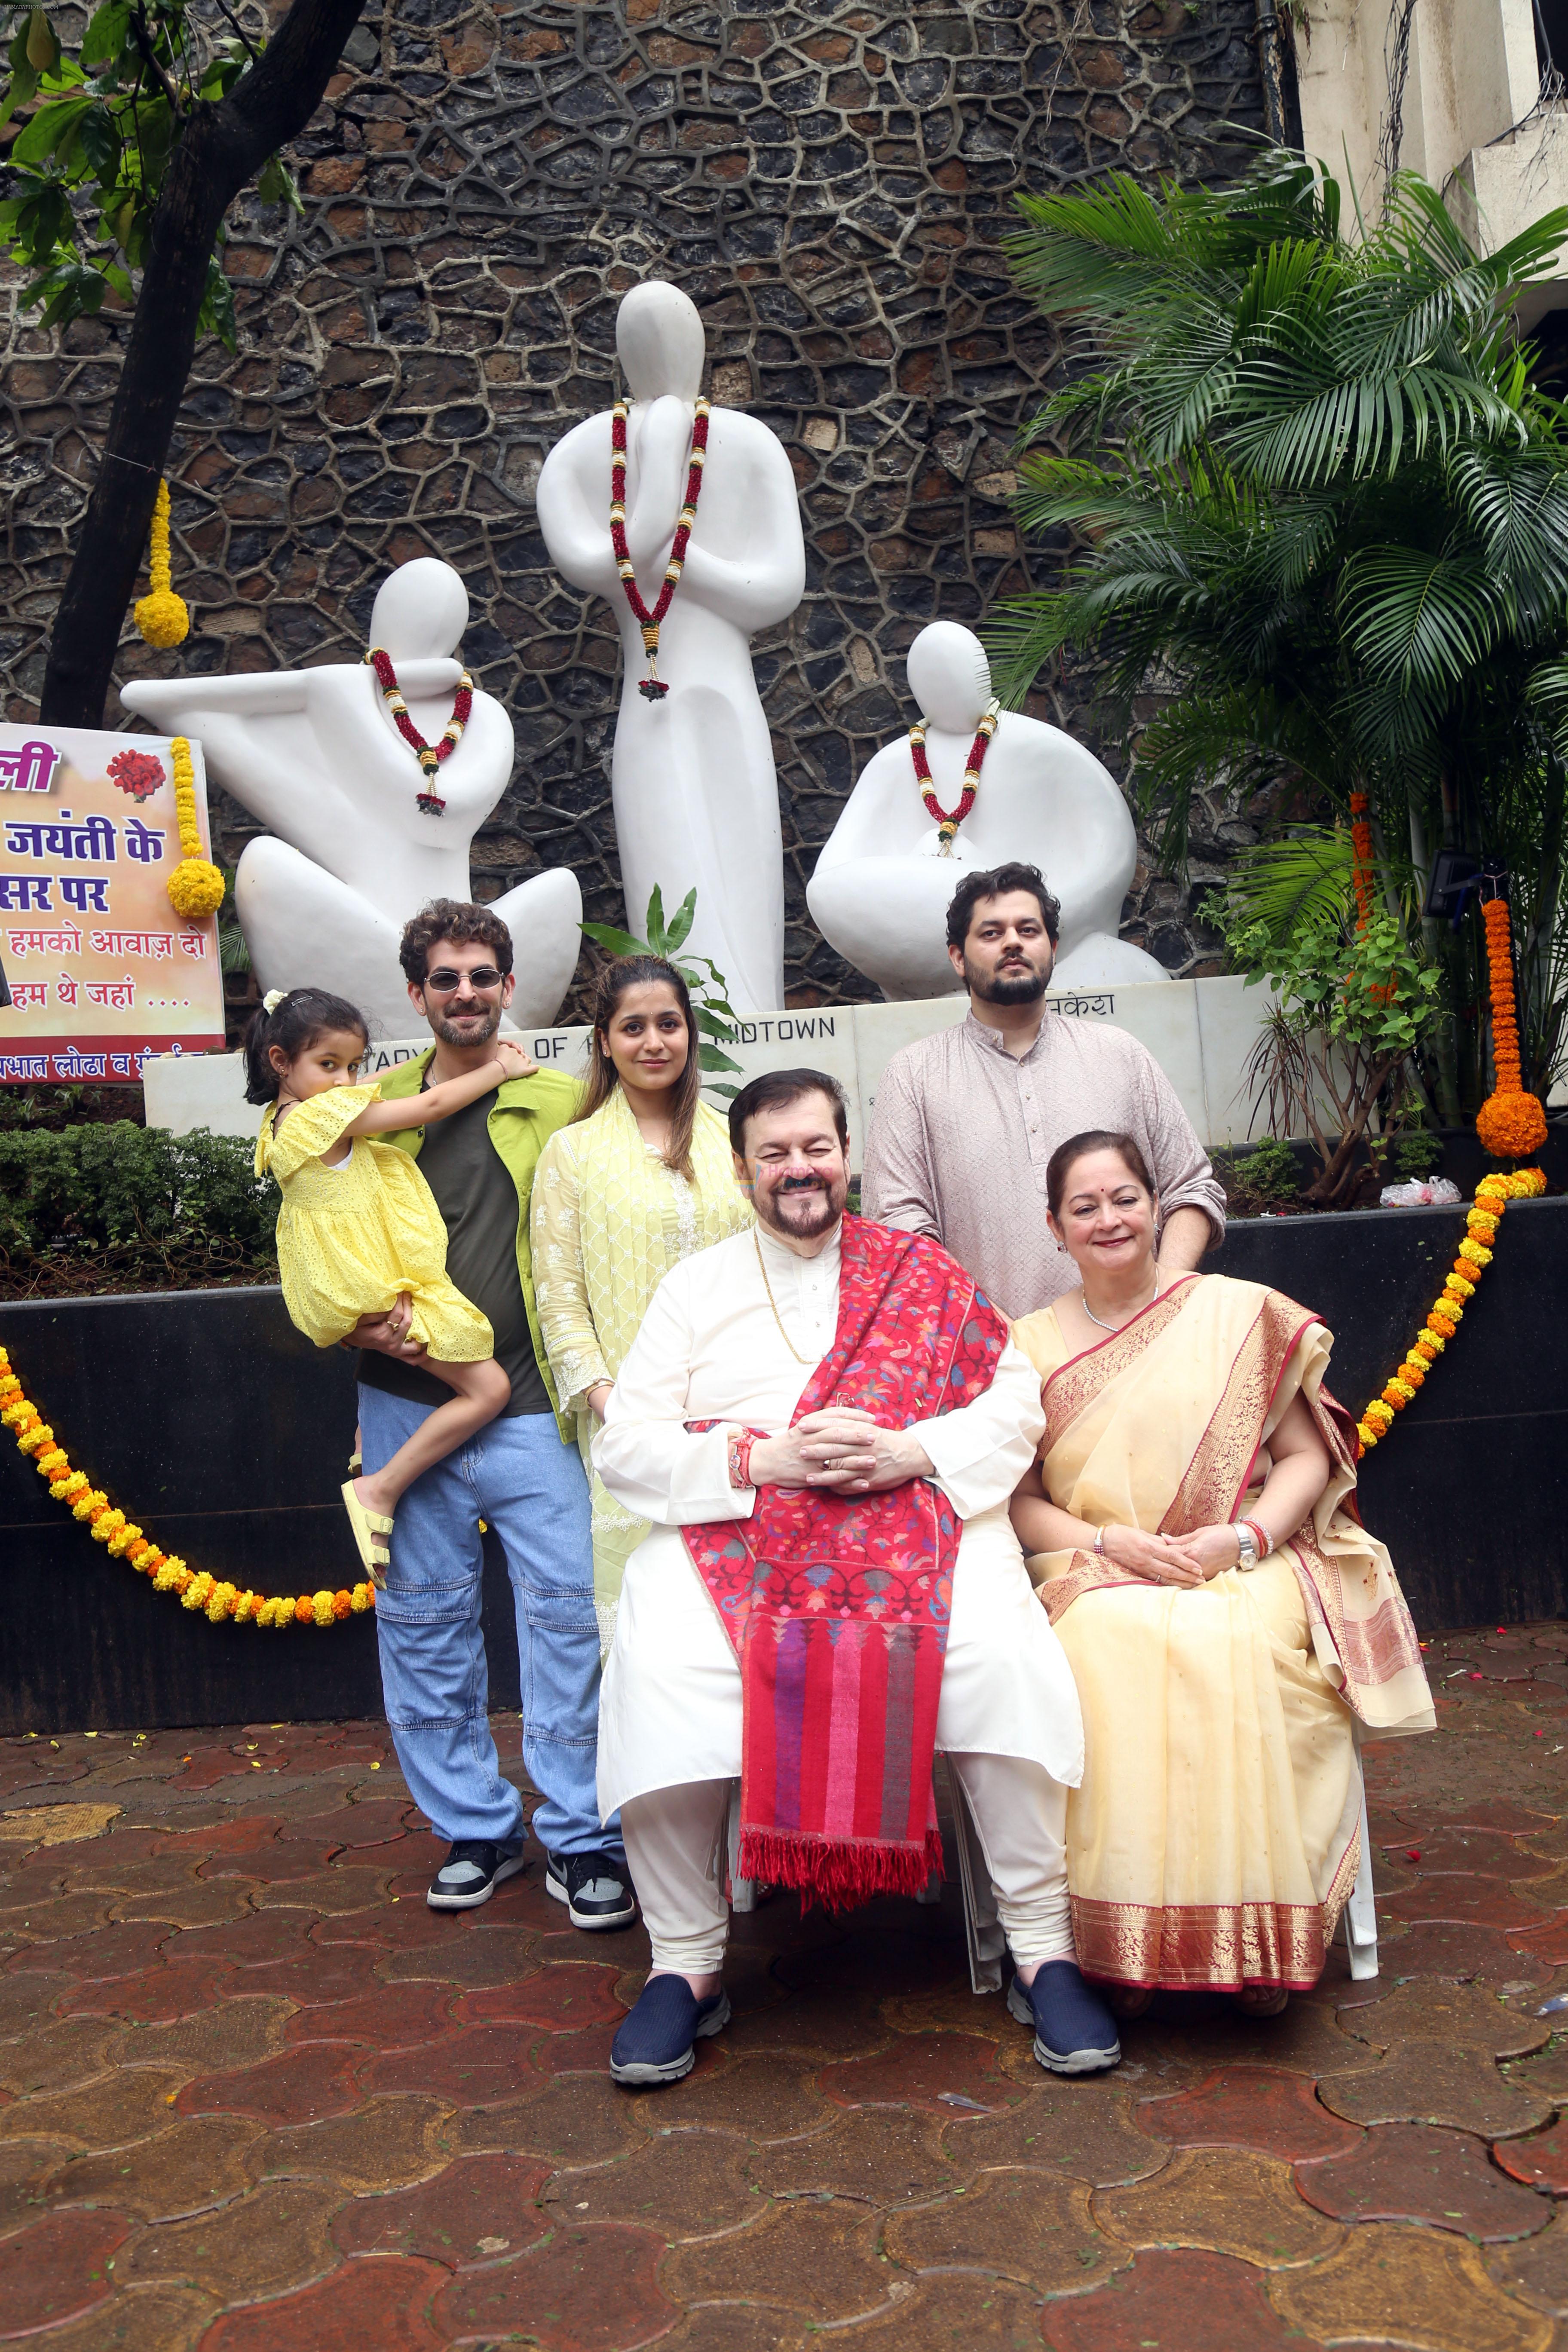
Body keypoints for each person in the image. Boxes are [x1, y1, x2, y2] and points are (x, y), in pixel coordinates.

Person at [591, 1067, 1119, 2089]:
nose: (799, 1168)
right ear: (740, 1167)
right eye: (775, 1152)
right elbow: (626, 1447)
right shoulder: (693, 1287)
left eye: (817, 1146)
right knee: (660, 1664)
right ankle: (686, 1965)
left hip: (912, 1510)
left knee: (998, 1653)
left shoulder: (918, 1270)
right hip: (740, 1522)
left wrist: (909, 1453)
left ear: (847, 1154)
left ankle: (1041, 1946)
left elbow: (1012, 1411)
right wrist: (759, 1462)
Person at [1009, 1130, 1434, 2011]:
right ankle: (1131, 1945)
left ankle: (1259, 1944)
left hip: (1241, 1557)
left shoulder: (1239, 1312)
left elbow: (1308, 1458)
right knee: (1108, 1641)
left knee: (1233, 1638)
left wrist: (1239, 1541)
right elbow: (1018, 1504)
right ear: (1054, 1227)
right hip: (1100, 1569)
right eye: (1084, 1207)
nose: (1109, 1219)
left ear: (1158, 1204)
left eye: (1124, 1197)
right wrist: (1111, 1545)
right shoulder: (1028, 1347)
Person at [346, 899, 634, 1930]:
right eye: (445, 977)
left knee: (567, 1618)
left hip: (533, 1409)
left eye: (481, 975)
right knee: (421, 1625)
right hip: (402, 1407)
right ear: (417, 993)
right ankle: (474, 1825)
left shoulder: (560, 1101)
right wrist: (349, 1328)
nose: (464, 992)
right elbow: (317, 1236)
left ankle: (582, 1833)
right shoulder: (365, 1107)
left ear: (510, 986)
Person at [246, 985, 531, 1578]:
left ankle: (363, 1440)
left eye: (355, 1064)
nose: (348, 1079)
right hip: (369, 1284)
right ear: (280, 1062)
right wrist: (500, 1067)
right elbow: (426, 1108)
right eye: (329, 1065)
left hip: (345, 1281)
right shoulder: (322, 1117)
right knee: (490, 1390)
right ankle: (380, 1487)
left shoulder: (284, 1119)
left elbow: (373, 1091)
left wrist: (400, 1067)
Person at [862, 861, 1227, 1317]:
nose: (1013, 942)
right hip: (990, 1362)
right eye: (992, 933)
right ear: (958, 957)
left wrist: (1163, 1301)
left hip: (1137, 1346)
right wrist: (991, 1334)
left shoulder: (1120, 1054)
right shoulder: (913, 1075)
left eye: (1028, 929)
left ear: (1052, 948)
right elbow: (898, 1229)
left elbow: (1191, 1189)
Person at [530, 954, 753, 1652]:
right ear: (603, 1040)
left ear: (689, 1032)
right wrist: (610, 1402)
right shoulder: (572, 1153)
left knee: (743, 1614)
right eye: (633, 1027)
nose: (652, 1041)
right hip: (630, 1421)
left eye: (668, 1023)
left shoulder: (731, 1139)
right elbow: (558, 1296)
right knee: (649, 1630)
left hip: (738, 1414)